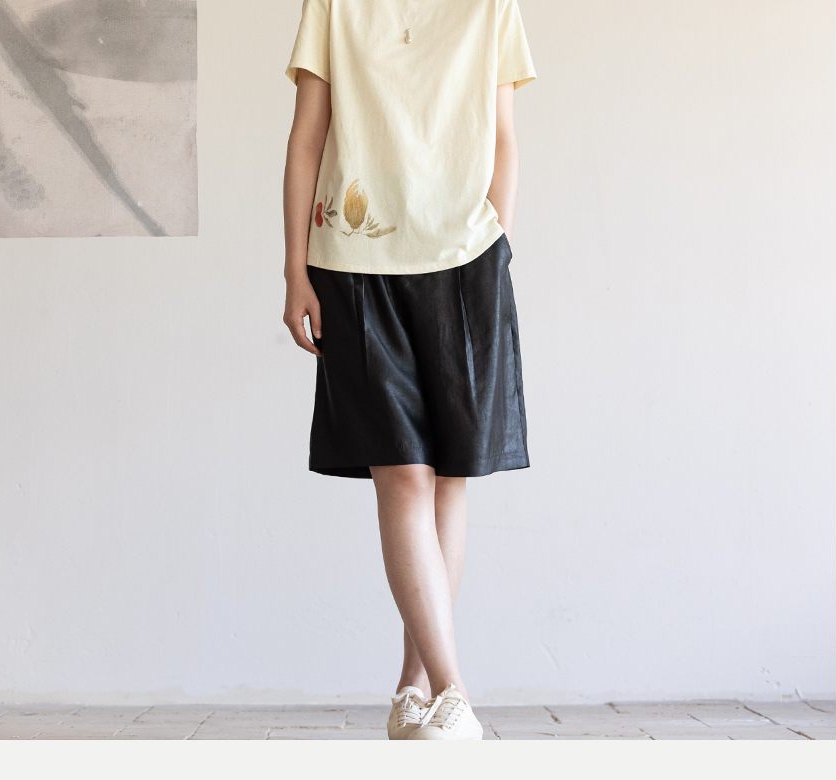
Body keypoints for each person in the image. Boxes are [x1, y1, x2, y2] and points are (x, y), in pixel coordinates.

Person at [281, 0, 535, 740]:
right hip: (356, 265)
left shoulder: (492, 7)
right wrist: (295, 270)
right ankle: (455, 688)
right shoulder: (334, 6)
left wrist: (495, 240)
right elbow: (306, 139)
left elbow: (504, 135)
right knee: (402, 474)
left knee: (450, 477)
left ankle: (413, 690)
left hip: (467, 263)